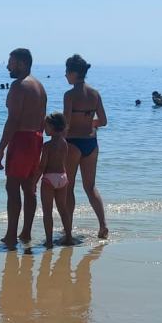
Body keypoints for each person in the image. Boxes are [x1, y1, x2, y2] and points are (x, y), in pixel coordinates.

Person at [0, 48, 47, 249]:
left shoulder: (18, 86)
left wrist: (0, 150)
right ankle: (26, 232)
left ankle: (10, 235)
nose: (8, 66)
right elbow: (42, 118)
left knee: (12, 186)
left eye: (12, 62)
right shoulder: (40, 87)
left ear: (23, 64)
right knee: (29, 187)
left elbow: (13, 120)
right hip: (36, 138)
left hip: (22, 138)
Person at [63, 54, 108, 239]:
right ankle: (103, 225)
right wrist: (89, 124)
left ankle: (68, 231)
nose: (65, 75)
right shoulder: (95, 94)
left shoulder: (70, 95)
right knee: (90, 187)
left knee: (69, 187)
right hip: (91, 143)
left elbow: (66, 124)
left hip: (73, 143)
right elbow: (103, 121)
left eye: (67, 72)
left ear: (74, 73)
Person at [33, 112, 74, 248]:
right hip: (62, 178)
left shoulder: (47, 146)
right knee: (63, 209)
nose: (44, 129)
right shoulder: (64, 143)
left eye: (46, 126)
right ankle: (68, 237)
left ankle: (49, 241)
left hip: (49, 179)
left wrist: (34, 182)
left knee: (47, 212)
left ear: (52, 127)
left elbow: (42, 166)